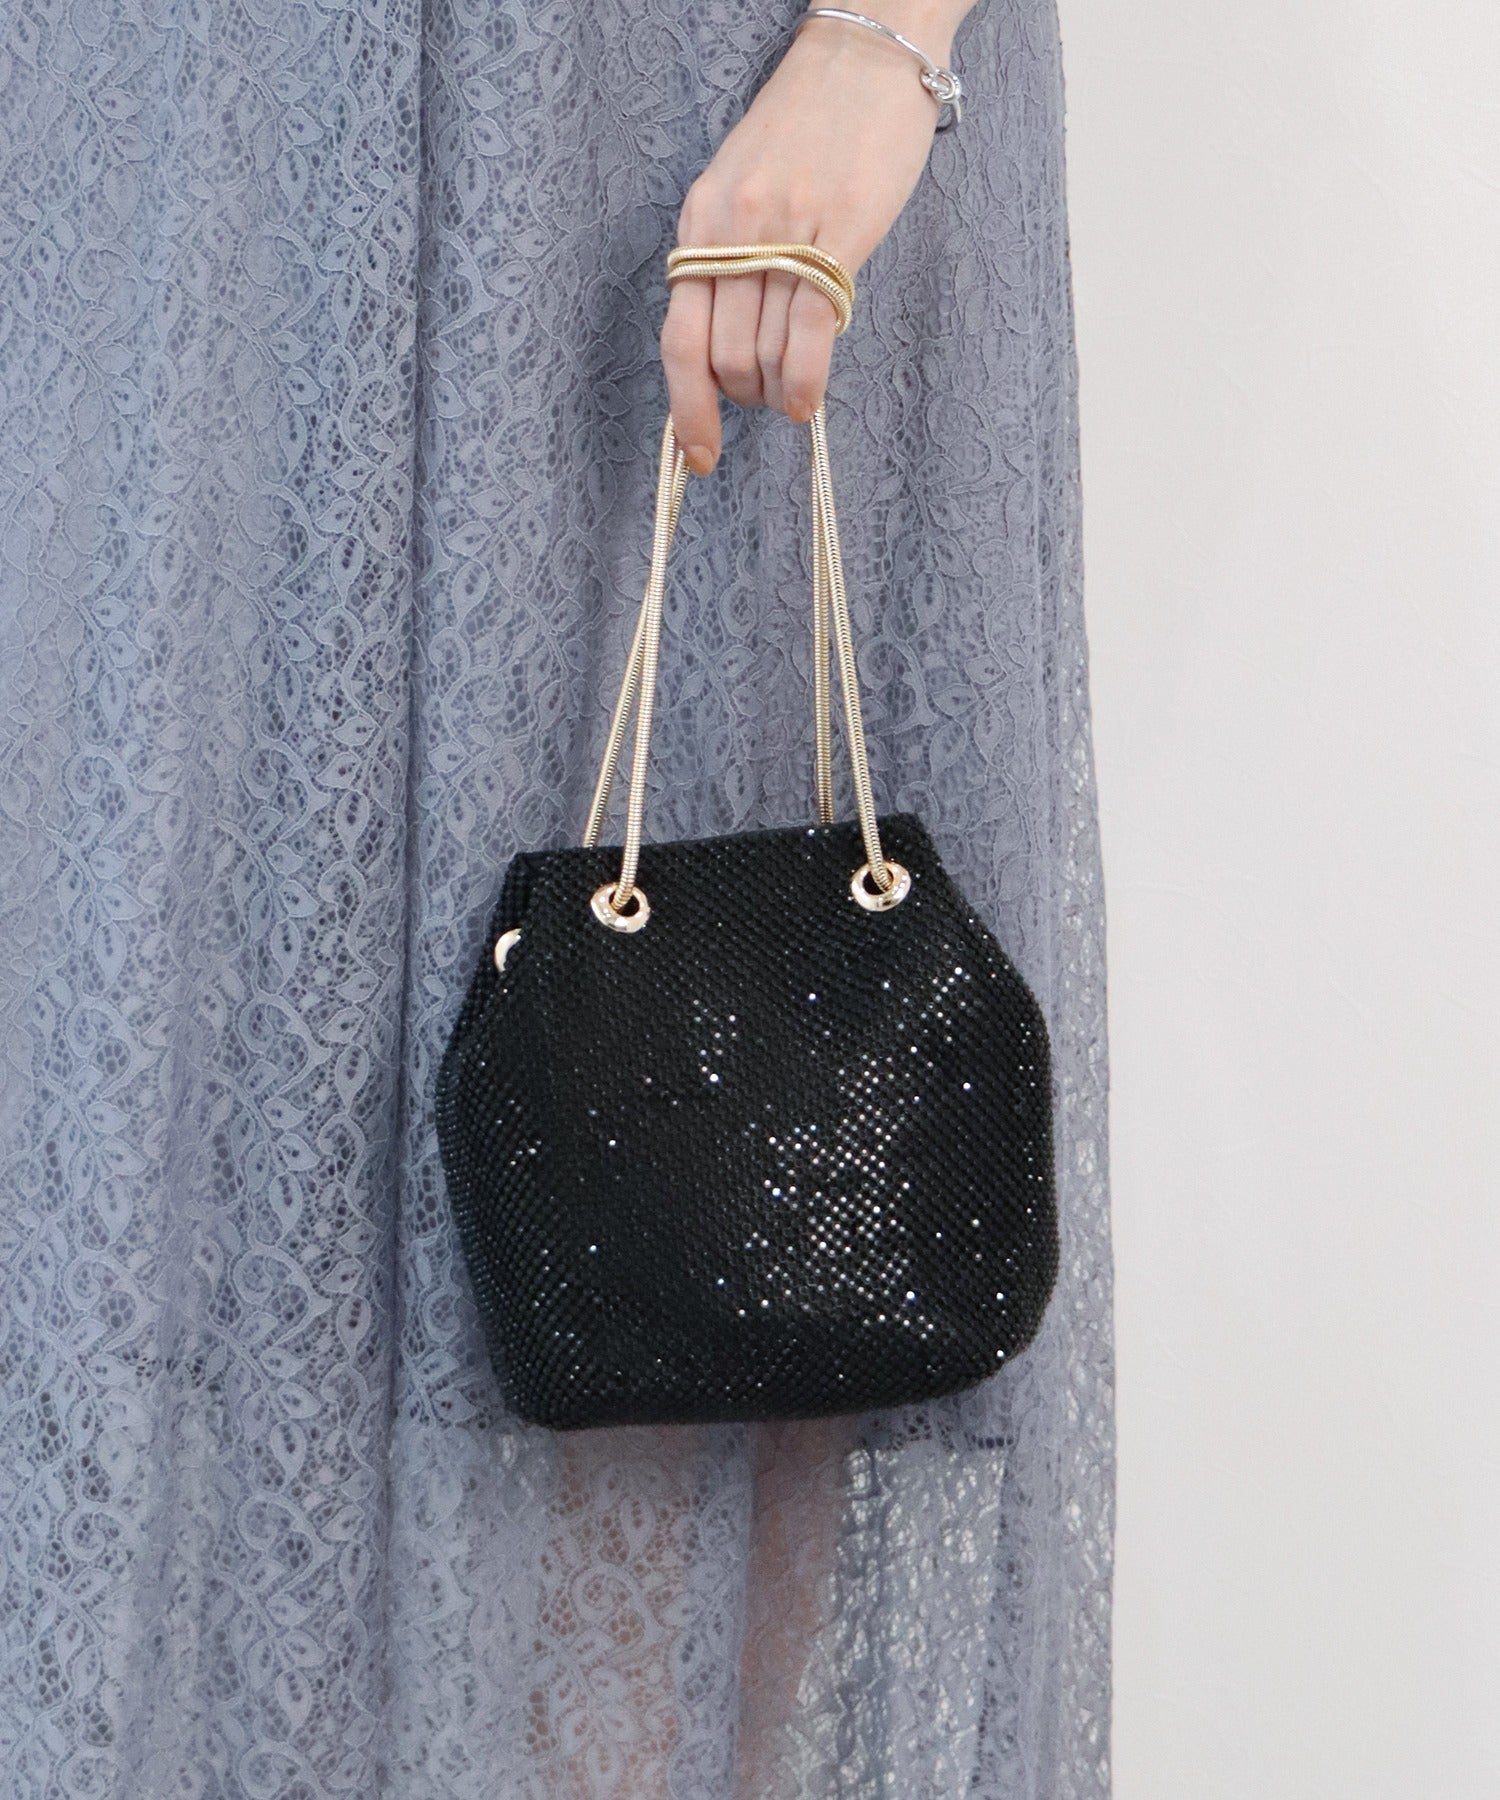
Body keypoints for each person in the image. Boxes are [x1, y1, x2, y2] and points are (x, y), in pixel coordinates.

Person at [0, 0, 1114, 1793]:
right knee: (156, 1208)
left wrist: (876, 48)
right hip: (174, 166)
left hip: (691, 127)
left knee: (713, 1217)